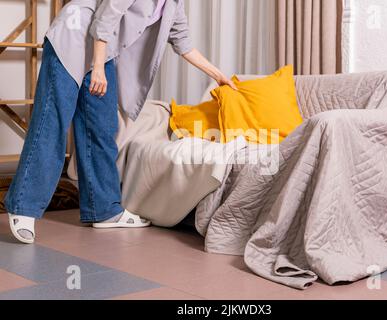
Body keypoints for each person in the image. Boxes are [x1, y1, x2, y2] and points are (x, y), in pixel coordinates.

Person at [4, 0, 236, 244]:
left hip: (101, 50)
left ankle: (104, 210)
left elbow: (183, 43)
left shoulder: (173, 4)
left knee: (101, 127)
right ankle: (23, 206)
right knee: (52, 122)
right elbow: (106, 18)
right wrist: (97, 67)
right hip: (73, 37)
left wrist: (219, 76)